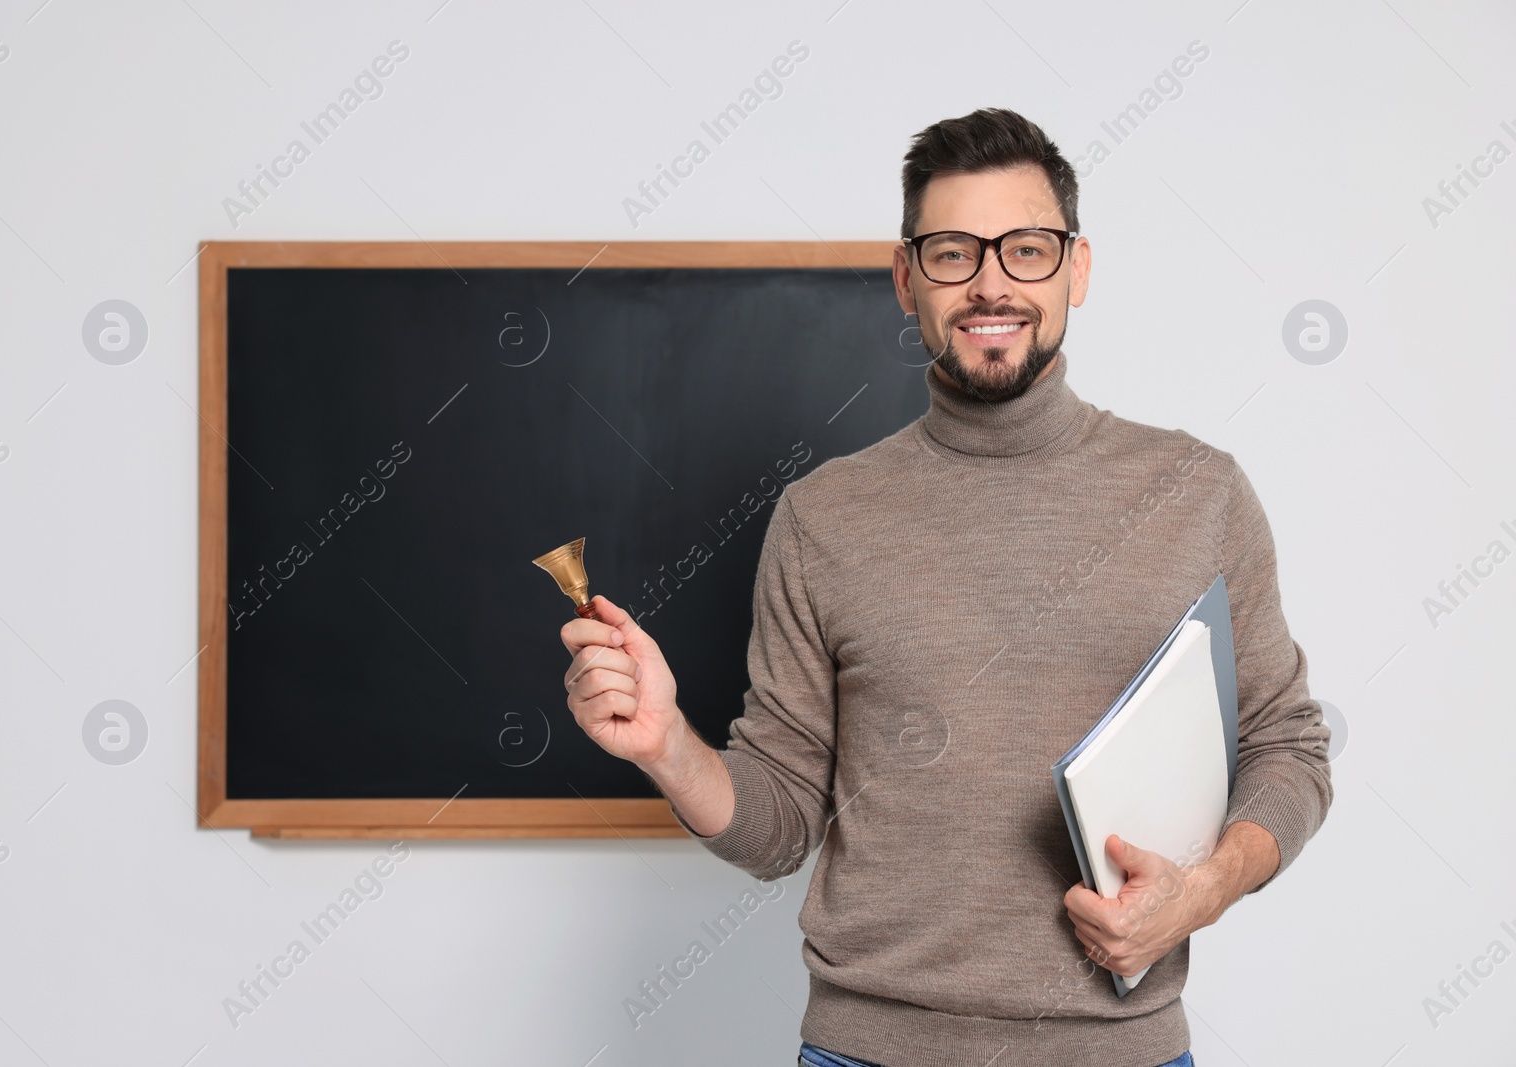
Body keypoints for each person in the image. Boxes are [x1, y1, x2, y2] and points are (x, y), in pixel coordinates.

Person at [559, 107, 1333, 1067]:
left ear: (1077, 270)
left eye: (1027, 248)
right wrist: (670, 745)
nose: (991, 282)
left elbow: (1288, 748)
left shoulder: (1198, 492)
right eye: (955, 252)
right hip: (864, 1051)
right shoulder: (821, 517)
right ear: (906, 279)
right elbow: (778, 827)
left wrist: (1203, 891)